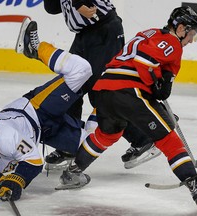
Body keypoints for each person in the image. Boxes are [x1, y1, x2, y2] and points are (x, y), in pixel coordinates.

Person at [55, 6, 197, 207]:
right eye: (191, 35)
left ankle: (72, 173)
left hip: (104, 89)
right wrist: (155, 85)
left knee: (106, 135)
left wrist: (158, 83)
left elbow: (132, 58)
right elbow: (145, 61)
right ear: (180, 28)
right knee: (168, 139)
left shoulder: (148, 33)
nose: (190, 41)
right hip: (128, 91)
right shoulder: (172, 41)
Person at [0, 17, 92, 201]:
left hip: (36, 109)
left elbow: (34, 162)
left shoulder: (4, 136)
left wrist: (16, 180)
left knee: (82, 70)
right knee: (91, 144)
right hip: (43, 132)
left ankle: (34, 48)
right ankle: (108, 110)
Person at [43, 0, 159, 169]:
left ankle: (143, 138)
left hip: (104, 31)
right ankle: (69, 145)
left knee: (104, 93)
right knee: (70, 88)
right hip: (85, 35)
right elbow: (52, 8)